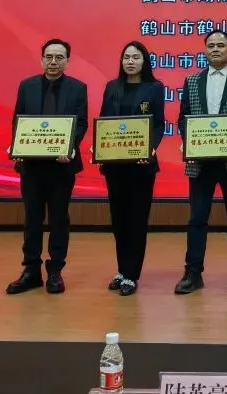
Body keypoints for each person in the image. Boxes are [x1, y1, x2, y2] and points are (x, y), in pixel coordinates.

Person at [174, 29, 227, 295]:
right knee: (197, 218)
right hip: (200, 161)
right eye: (211, 45)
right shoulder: (192, 81)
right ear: (205, 50)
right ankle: (193, 272)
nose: (215, 49)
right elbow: (183, 118)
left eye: (221, 45)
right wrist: (188, 139)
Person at [5, 38, 89, 295]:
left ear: (67, 61)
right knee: (32, 218)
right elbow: (18, 121)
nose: (53, 62)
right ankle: (31, 270)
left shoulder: (78, 88)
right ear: (42, 59)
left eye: (59, 57)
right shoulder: (27, 86)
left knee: (58, 219)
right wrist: (17, 146)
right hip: (31, 166)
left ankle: (55, 271)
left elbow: (81, 123)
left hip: (62, 166)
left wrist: (69, 146)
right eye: (49, 57)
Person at [98, 41, 166, 296]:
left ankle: (131, 274)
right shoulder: (111, 87)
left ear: (144, 61)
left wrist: (150, 148)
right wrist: (100, 147)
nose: (130, 61)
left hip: (141, 165)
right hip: (115, 164)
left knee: (136, 219)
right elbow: (104, 122)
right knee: (119, 219)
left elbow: (158, 124)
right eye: (126, 57)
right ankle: (121, 269)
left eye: (136, 57)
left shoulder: (154, 87)